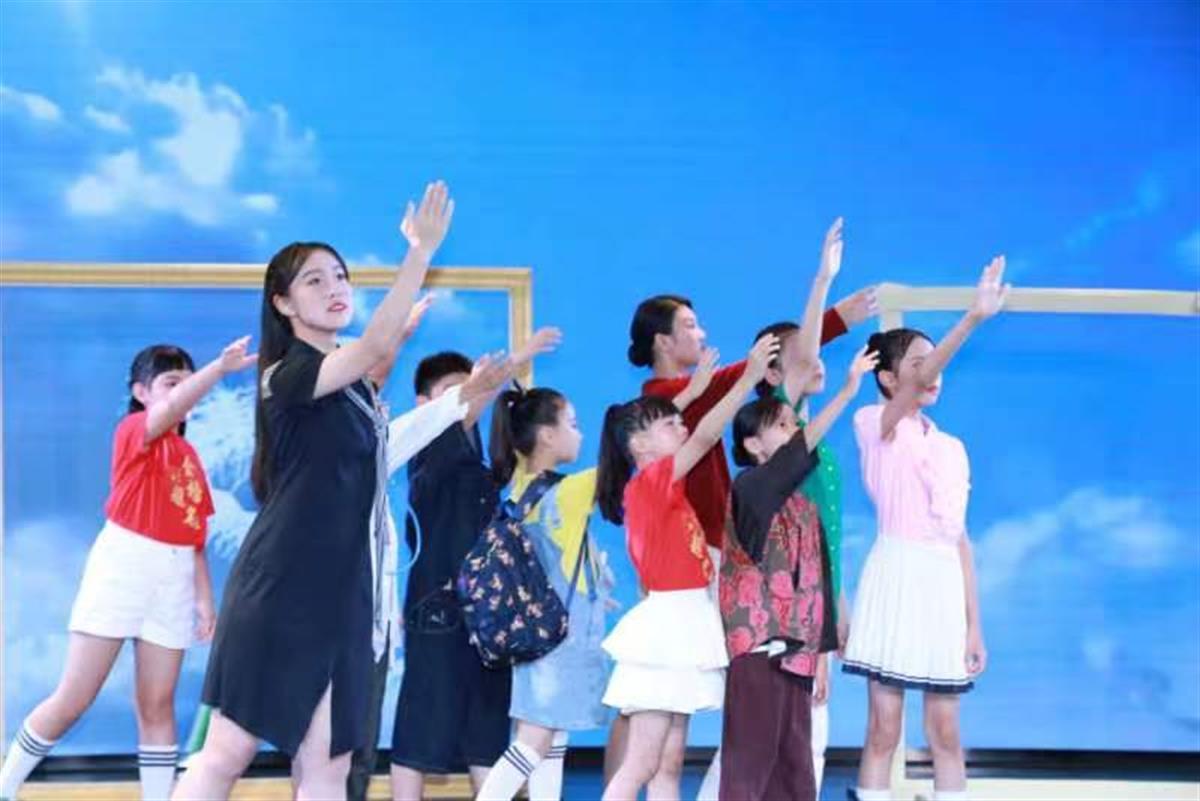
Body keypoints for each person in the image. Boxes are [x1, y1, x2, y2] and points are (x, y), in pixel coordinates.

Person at [174, 181, 454, 801]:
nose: (334, 288)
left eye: (340, 277)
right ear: (283, 303)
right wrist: (420, 253)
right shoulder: (285, 375)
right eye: (314, 281)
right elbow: (372, 347)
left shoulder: (353, 390)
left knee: (328, 764)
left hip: (343, 591)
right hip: (283, 585)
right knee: (226, 753)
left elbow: (373, 365)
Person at [0, 339, 254, 801]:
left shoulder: (190, 458)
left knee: (157, 704)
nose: (183, 392)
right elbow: (170, 409)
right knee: (75, 697)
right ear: (141, 392)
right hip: (123, 565)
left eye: (187, 382)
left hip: (175, 576)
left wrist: (203, 600)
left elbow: (195, 537)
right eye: (171, 383)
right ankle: (5, 785)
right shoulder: (135, 429)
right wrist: (218, 369)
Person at [843, 257, 1009, 801]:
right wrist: (972, 318)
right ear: (888, 378)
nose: (932, 372)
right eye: (918, 363)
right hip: (896, 575)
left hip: (941, 586)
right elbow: (915, 389)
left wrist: (974, 625)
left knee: (946, 731)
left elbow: (959, 539)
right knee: (883, 729)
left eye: (934, 360)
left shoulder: (951, 447)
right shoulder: (875, 423)